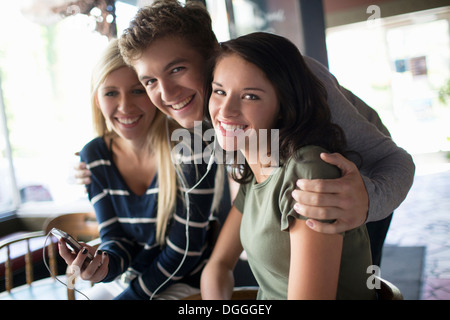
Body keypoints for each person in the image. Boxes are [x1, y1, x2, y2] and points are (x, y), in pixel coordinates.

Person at [76, 0, 414, 265]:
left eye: (177, 69)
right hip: (286, 185)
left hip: (360, 180)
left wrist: (368, 200)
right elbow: (138, 136)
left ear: (211, 56)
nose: (165, 93)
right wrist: (89, 165)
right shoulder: (186, 112)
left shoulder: (291, 75)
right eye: (149, 81)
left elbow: (394, 160)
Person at [201, 32, 376, 300]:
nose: (225, 110)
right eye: (220, 91)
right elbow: (218, 266)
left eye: (250, 96)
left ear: (282, 106)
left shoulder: (308, 172)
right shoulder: (254, 175)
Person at [60, 39, 219, 300]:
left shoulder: (191, 146)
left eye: (138, 91)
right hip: (129, 280)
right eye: (111, 93)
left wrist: (130, 297)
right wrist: (103, 267)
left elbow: (184, 252)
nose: (125, 107)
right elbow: (116, 239)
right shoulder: (94, 155)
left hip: (185, 283)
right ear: (97, 100)